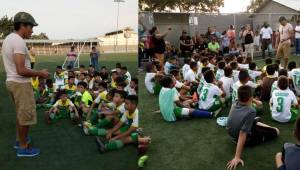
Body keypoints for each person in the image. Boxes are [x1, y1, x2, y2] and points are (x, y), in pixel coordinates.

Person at [2, 12, 49, 157]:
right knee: (26, 115)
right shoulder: (18, 41)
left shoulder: (10, 38)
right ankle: (23, 147)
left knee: (21, 115)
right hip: (20, 84)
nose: (32, 30)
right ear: (22, 25)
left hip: (13, 82)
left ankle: (20, 140)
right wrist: (40, 73)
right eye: (31, 27)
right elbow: (21, 70)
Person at [226, 85, 279, 170]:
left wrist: (254, 100)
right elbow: (242, 134)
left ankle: (258, 124)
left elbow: (258, 104)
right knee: (276, 131)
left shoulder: (235, 101)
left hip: (231, 133)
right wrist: (237, 157)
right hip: (240, 137)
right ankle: (270, 128)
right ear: (250, 98)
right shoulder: (251, 111)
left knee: (257, 119)